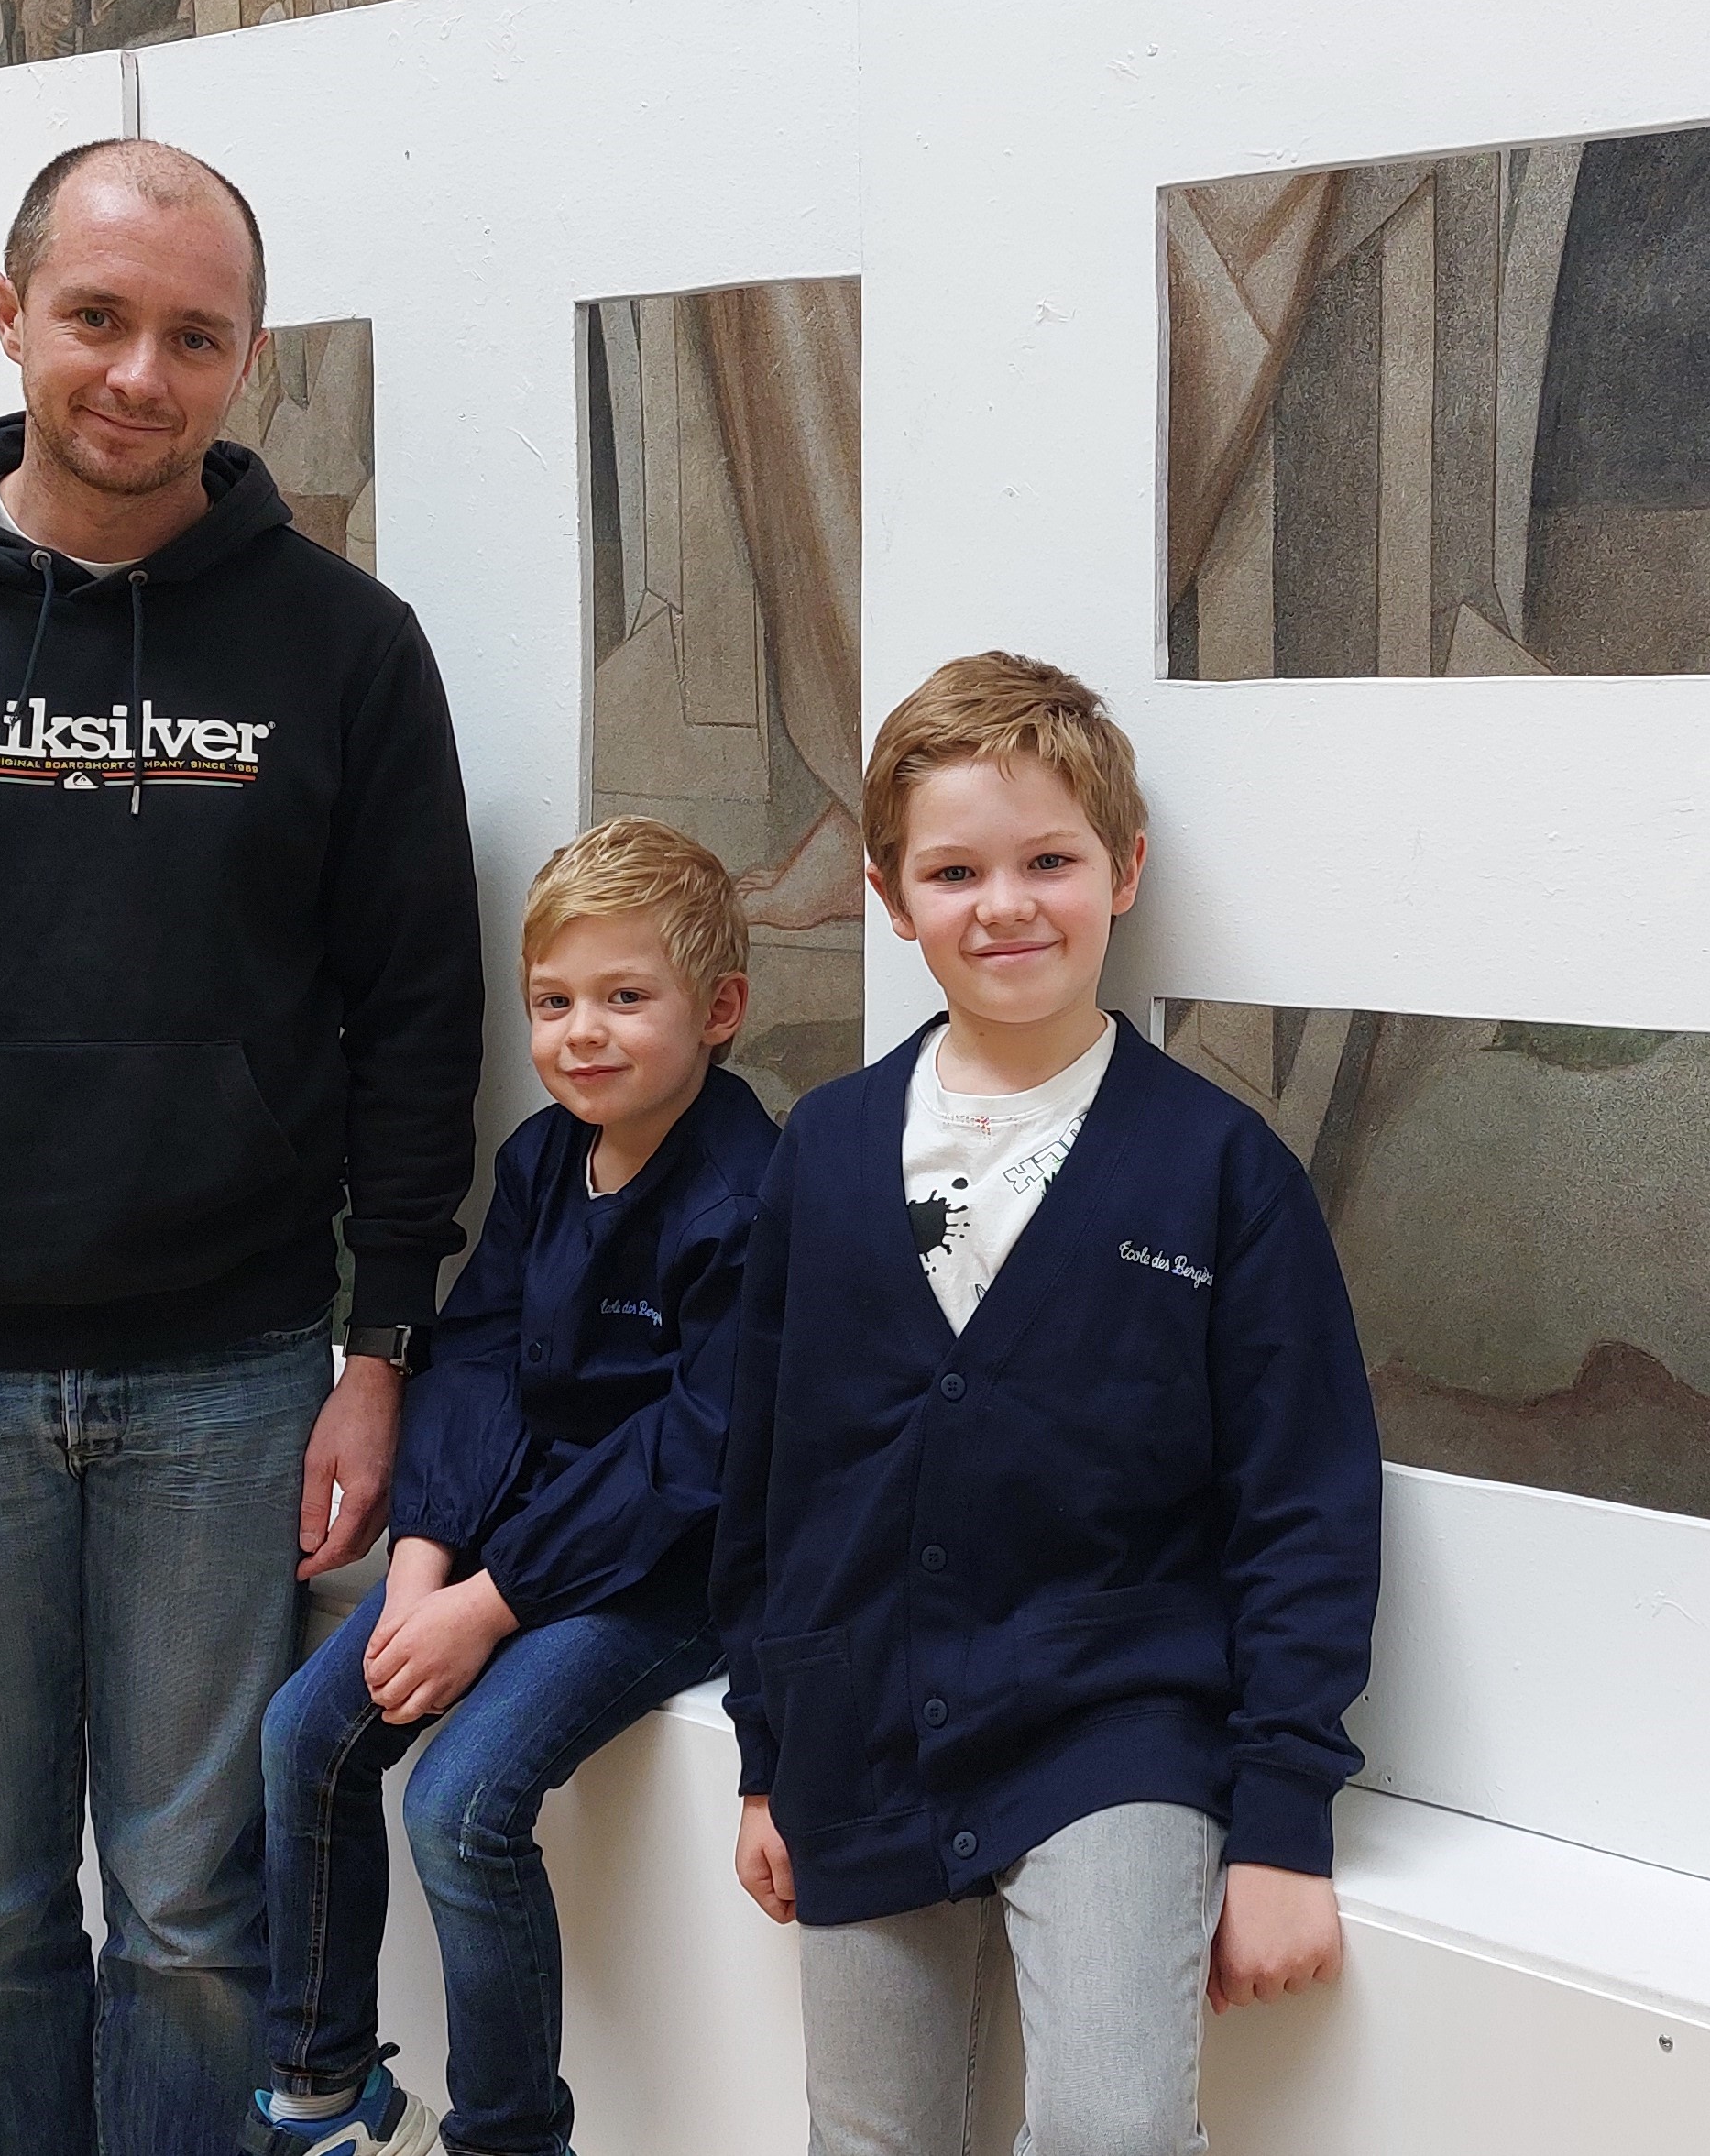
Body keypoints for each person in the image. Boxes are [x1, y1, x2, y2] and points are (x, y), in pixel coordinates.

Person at [0, 137, 485, 2156]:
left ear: (249, 359)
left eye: (195, 337)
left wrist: (377, 1350)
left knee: (202, 1919)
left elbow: (416, 1027)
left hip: (232, 1379)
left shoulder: (345, 650)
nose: (141, 374)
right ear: (10, 311)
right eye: (101, 319)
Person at [714, 652, 1381, 2154]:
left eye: (1046, 861)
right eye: (952, 869)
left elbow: (1301, 1504)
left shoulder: (1218, 1170)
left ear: (1120, 869)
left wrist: (1280, 1822)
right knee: (868, 2137)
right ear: (890, 896)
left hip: (1113, 1728)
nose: (1002, 903)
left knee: (1111, 2130)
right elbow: (767, 1477)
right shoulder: (817, 1153)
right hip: (856, 1728)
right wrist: (768, 1749)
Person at [247, 815, 776, 2156]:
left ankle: (507, 2138)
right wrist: (422, 1559)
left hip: (662, 1573)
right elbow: (477, 1362)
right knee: (307, 1734)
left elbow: (693, 1456)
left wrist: (491, 1602)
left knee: (460, 1807)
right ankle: (323, 2088)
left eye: (623, 999)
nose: (581, 1034)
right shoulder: (544, 1157)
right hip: (501, 1544)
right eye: (553, 1003)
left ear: (717, 1010)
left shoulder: (746, 1195)